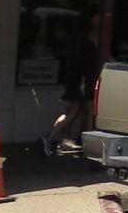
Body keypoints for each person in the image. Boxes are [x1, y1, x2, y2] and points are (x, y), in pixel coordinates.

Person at [42, 13, 103, 154]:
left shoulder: (77, 35)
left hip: (75, 75)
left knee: (72, 110)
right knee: (88, 109)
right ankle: (86, 144)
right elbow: (103, 54)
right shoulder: (92, 35)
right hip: (84, 77)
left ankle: (56, 138)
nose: (100, 19)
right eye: (97, 16)